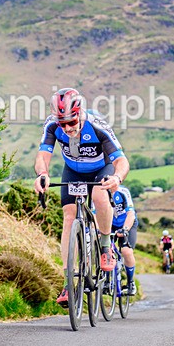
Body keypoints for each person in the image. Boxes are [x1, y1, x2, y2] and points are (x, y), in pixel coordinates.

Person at [33, 88, 131, 307]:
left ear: (79, 113)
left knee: (99, 195)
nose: (67, 128)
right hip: (73, 171)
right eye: (62, 123)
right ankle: (69, 282)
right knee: (69, 218)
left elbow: (122, 161)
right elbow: (42, 156)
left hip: (101, 169)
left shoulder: (97, 126)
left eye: (71, 121)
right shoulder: (52, 126)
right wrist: (43, 174)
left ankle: (105, 246)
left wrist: (117, 178)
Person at [110, 185, 138, 295]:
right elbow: (94, 214)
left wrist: (125, 229)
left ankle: (131, 282)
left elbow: (131, 213)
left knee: (126, 251)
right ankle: (106, 280)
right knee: (104, 248)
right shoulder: (99, 192)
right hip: (110, 224)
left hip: (126, 222)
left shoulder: (123, 191)